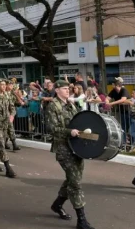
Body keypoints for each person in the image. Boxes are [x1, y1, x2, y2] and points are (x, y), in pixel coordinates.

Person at [45, 80, 94, 229]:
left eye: (69, 88)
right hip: (63, 148)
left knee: (74, 178)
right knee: (75, 182)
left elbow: (77, 122)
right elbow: (52, 128)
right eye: (65, 88)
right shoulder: (53, 106)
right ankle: (82, 220)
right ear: (57, 90)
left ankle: (57, 204)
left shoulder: (71, 104)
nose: (68, 90)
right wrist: (69, 132)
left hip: (75, 147)